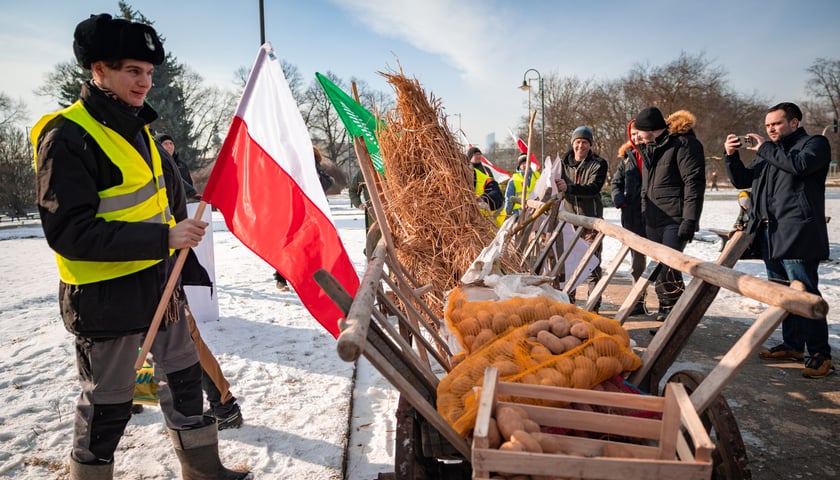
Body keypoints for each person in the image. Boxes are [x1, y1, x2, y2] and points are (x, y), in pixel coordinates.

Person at [31, 13, 250, 479]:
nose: (145, 82)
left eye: (149, 73)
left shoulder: (140, 130)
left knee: (186, 386)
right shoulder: (67, 137)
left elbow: (162, 200)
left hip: (160, 288)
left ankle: (204, 472)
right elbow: (69, 233)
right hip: (105, 300)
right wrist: (163, 238)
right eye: (133, 70)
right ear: (98, 71)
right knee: (108, 408)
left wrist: (181, 228)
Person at [724, 102, 833, 378]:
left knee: (805, 292)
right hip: (769, 233)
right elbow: (743, 181)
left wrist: (764, 148)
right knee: (782, 291)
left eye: (776, 124)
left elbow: (800, 166)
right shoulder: (770, 152)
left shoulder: (814, 144)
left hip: (798, 232)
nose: (771, 129)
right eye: (768, 125)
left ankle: (820, 353)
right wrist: (732, 156)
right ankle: (793, 344)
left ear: (794, 123)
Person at [634, 107, 705, 321]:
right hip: (654, 219)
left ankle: (673, 316)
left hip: (675, 218)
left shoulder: (683, 144)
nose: (636, 135)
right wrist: (645, 213)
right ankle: (668, 313)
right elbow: (648, 186)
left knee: (669, 270)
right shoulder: (651, 147)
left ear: (649, 129)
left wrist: (690, 219)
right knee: (660, 270)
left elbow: (693, 184)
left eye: (639, 130)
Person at [553, 126, 608, 311]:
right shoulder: (563, 164)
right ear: (572, 143)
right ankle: (569, 303)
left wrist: (569, 188)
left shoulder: (598, 163)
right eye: (577, 142)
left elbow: (593, 187)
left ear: (590, 144)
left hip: (591, 222)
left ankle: (593, 307)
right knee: (570, 264)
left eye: (584, 142)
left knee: (592, 265)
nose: (580, 146)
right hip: (569, 222)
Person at [274, 145, 333, 290]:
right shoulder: (291, 166)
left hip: (313, 212)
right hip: (294, 210)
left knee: (311, 245)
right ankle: (281, 277)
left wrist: (315, 177)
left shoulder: (315, 168)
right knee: (291, 243)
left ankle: (310, 278)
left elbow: (328, 182)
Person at [611, 129, 647, 316]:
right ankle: (638, 300)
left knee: (664, 259)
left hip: (655, 214)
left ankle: (668, 302)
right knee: (637, 261)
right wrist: (620, 199)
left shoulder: (655, 153)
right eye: (632, 134)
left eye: (638, 133)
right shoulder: (627, 157)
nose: (635, 137)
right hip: (632, 214)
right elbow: (616, 183)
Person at [157, 133, 199, 200]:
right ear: (159, 146)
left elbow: (189, 182)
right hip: (165, 201)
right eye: (165, 144)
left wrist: (192, 195)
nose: (169, 146)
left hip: (183, 202)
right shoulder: (157, 163)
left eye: (171, 143)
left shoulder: (182, 165)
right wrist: (191, 192)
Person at [466, 146, 505, 219]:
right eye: (475, 154)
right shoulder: (464, 171)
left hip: (487, 212)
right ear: (470, 157)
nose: (478, 156)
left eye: (479, 154)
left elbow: (494, 189)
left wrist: (483, 198)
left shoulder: (486, 170)